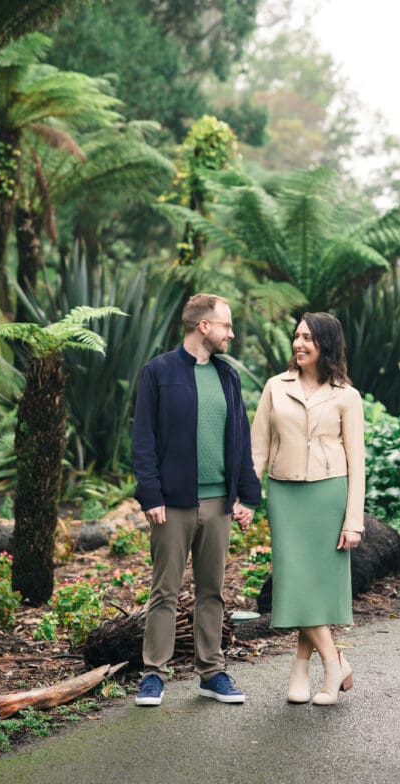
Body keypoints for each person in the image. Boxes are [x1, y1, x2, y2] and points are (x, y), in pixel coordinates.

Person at [131, 292, 261, 707]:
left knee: (213, 591)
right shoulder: (158, 372)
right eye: (226, 325)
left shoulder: (228, 377)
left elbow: (239, 439)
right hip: (172, 505)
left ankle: (213, 673)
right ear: (203, 326)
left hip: (219, 503)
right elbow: (143, 440)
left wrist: (247, 496)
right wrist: (150, 493)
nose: (231, 333)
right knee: (165, 591)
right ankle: (154, 674)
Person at [251, 311, 365, 706]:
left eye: (308, 339)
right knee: (295, 580)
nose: (299, 344)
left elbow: (357, 462)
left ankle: (303, 667)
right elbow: (258, 449)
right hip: (284, 495)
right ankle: (335, 663)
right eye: (296, 337)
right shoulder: (275, 387)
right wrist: (248, 497)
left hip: (329, 495)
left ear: (326, 345)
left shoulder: (347, 396)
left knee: (314, 586)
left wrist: (354, 521)